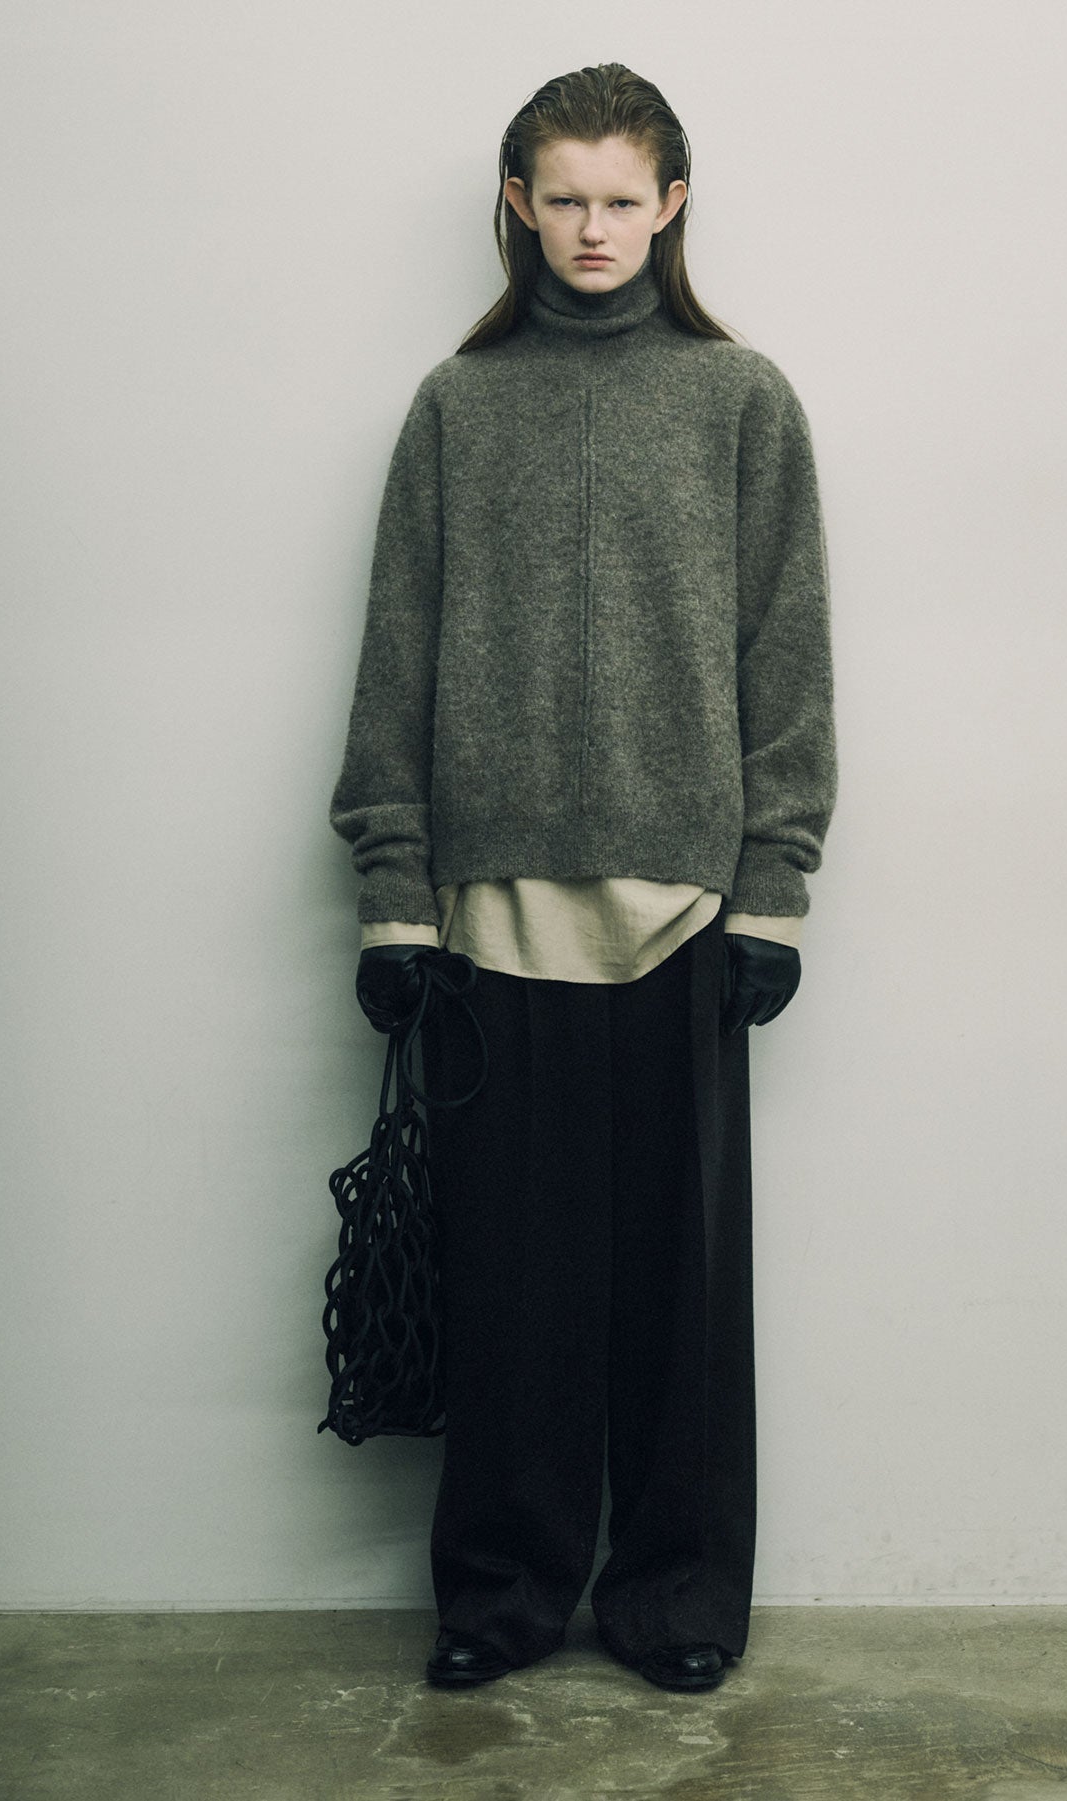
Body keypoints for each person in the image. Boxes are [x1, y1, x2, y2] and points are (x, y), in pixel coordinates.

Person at [328, 61, 838, 1694]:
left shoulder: (741, 401)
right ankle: (501, 1591)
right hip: (490, 921)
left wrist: (774, 886)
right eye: (565, 198)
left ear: (672, 205)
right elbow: (396, 661)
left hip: (685, 917)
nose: (595, 228)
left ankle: (677, 1596)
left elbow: (787, 659)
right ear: (518, 204)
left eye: (624, 199)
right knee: (512, 1292)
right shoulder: (456, 409)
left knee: (679, 1300)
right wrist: (395, 893)